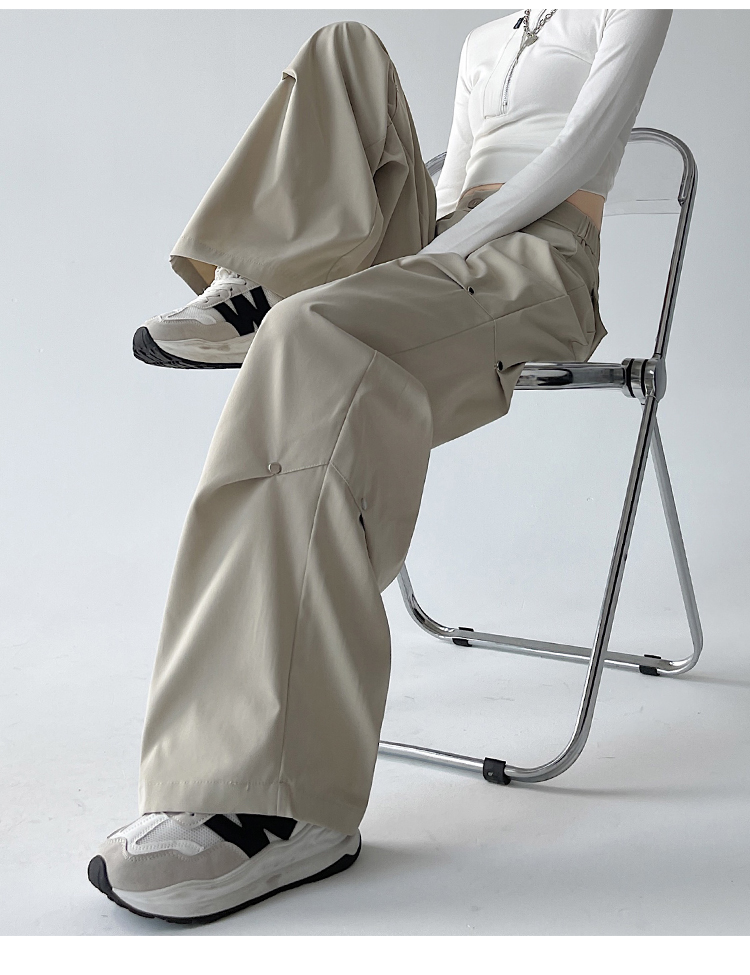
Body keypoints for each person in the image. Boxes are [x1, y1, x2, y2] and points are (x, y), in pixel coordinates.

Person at [87, 9, 672, 924]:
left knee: (308, 333)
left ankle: (285, 805)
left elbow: (583, 152)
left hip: (535, 266)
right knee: (343, 47)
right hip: (440, 254)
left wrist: (430, 259)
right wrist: (409, 254)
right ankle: (264, 277)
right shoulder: (486, 40)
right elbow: (454, 180)